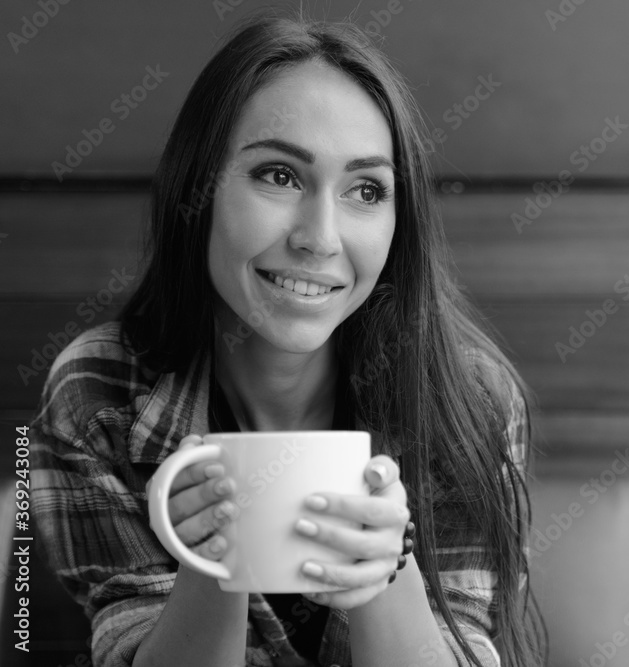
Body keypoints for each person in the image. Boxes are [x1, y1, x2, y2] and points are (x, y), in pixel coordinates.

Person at [29, 13, 544, 667]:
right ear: (201, 189)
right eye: (279, 175)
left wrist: (385, 575)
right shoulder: (99, 392)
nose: (320, 238)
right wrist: (213, 566)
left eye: (366, 189)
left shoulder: (471, 403)